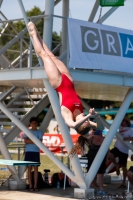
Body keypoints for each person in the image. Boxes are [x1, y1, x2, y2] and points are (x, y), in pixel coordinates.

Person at [27, 22, 104, 136]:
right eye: (88, 121)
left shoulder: (69, 118)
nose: (87, 120)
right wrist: (94, 117)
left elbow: (73, 125)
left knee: (44, 56)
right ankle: (38, 35)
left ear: (81, 124)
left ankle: (33, 34)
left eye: (86, 122)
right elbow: (101, 127)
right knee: (51, 56)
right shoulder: (82, 115)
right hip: (69, 80)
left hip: (58, 83)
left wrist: (88, 116)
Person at [107, 116, 133, 188]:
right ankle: (116, 165)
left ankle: (123, 182)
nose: (122, 122)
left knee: (124, 167)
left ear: (127, 122)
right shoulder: (120, 127)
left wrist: (128, 138)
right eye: (122, 121)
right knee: (109, 155)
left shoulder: (130, 130)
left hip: (124, 150)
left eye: (124, 121)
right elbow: (115, 122)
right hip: (116, 147)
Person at [23, 117, 43, 192]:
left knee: (36, 169)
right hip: (28, 151)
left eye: (35, 123)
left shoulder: (39, 132)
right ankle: (30, 185)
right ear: (30, 124)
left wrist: (30, 141)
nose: (34, 124)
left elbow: (40, 142)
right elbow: (25, 141)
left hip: (35, 152)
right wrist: (35, 141)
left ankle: (35, 185)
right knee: (29, 169)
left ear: (37, 124)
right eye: (32, 123)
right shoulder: (27, 131)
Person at [87, 129, 107, 195]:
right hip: (91, 157)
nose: (97, 135)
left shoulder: (104, 139)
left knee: (100, 174)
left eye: (98, 133)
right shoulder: (91, 138)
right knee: (91, 173)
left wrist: (106, 159)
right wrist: (91, 135)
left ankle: (101, 188)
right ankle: (89, 186)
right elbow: (84, 140)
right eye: (96, 133)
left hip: (101, 158)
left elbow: (108, 150)